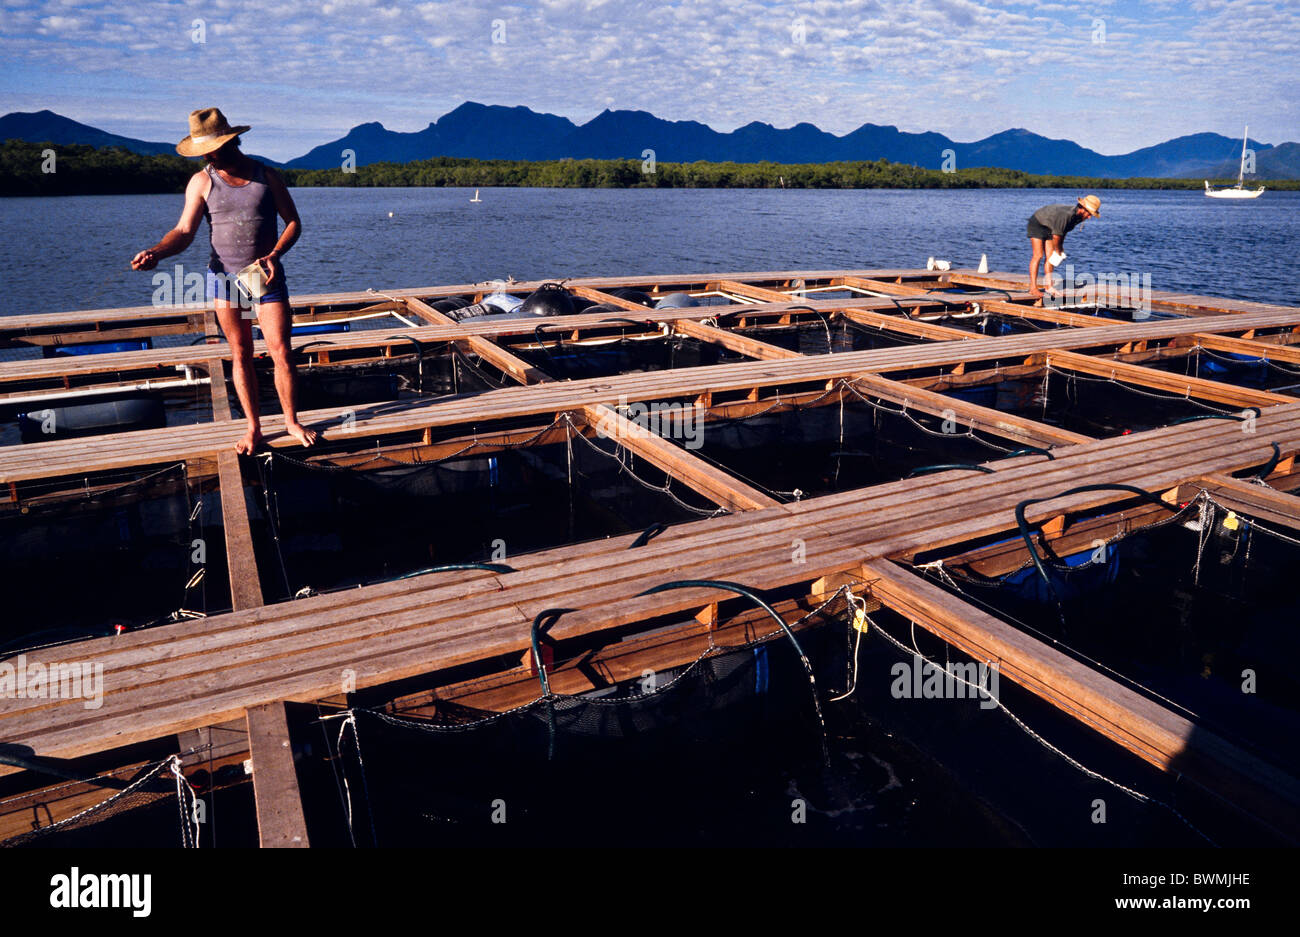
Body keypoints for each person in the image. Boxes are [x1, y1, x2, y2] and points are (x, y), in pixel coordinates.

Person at [131, 107, 317, 453]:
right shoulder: (202, 181)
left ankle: (291, 421)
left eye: (213, 151)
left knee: (281, 351)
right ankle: (253, 428)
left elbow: (294, 222)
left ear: (231, 142)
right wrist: (156, 252)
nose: (209, 158)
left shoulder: (267, 176)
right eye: (204, 153)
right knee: (240, 353)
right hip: (225, 279)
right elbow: (184, 231)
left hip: (264, 275)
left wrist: (275, 253)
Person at [1026, 194, 1101, 300]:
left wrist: (1060, 249)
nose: (1089, 217)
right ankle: (1033, 288)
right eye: (1089, 213)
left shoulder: (1078, 217)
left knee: (1051, 256)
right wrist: (1059, 249)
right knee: (1038, 255)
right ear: (1082, 209)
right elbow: (1057, 236)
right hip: (1038, 222)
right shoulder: (1067, 215)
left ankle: (1049, 286)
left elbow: (1062, 232)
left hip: (1051, 226)